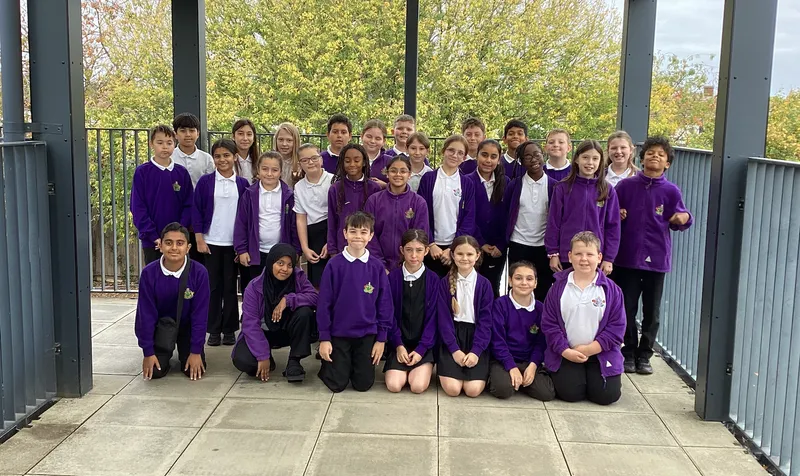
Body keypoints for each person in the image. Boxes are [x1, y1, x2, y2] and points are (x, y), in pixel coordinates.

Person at [614, 136, 692, 374]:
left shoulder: (671, 191)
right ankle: (628, 352)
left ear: (667, 163)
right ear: (641, 157)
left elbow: (683, 216)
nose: (655, 157)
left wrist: (684, 218)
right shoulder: (625, 186)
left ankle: (645, 354)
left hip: (656, 259)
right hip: (626, 257)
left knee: (652, 311)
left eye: (661, 154)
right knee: (626, 308)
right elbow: (609, 212)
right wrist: (617, 212)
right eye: (650, 153)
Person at [541, 231, 625, 405]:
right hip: (566, 352)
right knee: (570, 393)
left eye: (589, 254)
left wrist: (588, 350)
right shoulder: (557, 288)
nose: (584, 259)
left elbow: (616, 329)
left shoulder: (612, 290)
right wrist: (565, 350)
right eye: (578, 254)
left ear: (599, 257)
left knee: (606, 396)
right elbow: (549, 325)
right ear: (570, 256)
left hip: (600, 352)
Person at [317, 212, 394, 392]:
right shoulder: (334, 265)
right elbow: (324, 304)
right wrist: (324, 338)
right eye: (353, 231)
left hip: (366, 334)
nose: (358, 236)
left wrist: (381, 339)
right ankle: (333, 366)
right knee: (337, 385)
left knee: (363, 385)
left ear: (371, 235)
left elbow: (385, 304)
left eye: (363, 232)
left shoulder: (376, 267)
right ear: (345, 233)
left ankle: (352, 364)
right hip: (339, 333)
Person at [232, 243, 318, 382]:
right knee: (244, 361)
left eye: (290, 265)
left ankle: (294, 361)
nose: (285, 269)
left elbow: (315, 298)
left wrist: (288, 300)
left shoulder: (298, 277)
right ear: (271, 262)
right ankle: (268, 356)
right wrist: (263, 355)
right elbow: (250, 324)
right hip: (263, 332)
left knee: (305, 312)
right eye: (280, 263)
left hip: (287, 331)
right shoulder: (254, 287)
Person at [193, 139, 250, 347]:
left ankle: (230, 329)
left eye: (226, 155)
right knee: (213, 287)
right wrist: (199, 239)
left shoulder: (243, 184)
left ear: (235, 157)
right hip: (211, 242)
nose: (222, 159)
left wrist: (243, 245)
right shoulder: (205, 182)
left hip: (234, 244)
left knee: (230, 287)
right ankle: (214, 329)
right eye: (217, 156)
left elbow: (247, 216)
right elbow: (196, 210)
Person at [135, 223, 208, 380]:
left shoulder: (199, 273)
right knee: (155, 373)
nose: (174, 248)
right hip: (162, 327)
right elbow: (145, 315)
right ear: (160, 246)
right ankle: (162, 353)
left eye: (180, 243)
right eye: (168, 243)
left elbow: (200, 315)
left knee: (194, 371)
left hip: (187, 328)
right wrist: (148, 352)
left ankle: (186, 351)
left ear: (188, 248)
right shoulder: (149, 273)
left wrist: (196, 351)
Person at [546, 140, 620, 275]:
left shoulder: (607, 190)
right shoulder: (562, 188)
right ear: (576, 159)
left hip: (595, 257)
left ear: (600, 162)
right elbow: (553, 222)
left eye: (595, 158)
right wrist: (553, 253)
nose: (590, 162)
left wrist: (609, 258)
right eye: (585, 157)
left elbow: (613, 227)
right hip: (567, 255)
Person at [234, 151, 298, 295]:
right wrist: (242, 250)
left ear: (280, 172)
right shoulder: (249, 194)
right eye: (265, 169)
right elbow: (241, 223)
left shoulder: (288, 195)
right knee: (255, 291)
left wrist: (295, 250)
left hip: (281, 253)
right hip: (255, 253)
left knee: (278, 291)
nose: (269, 174)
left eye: (274, 170)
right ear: (258, 170)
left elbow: (294, 225)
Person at [489, 261, 555, 401]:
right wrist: (511, 367)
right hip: (503, 360)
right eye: (518, 278)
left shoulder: (541, 309)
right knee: (503, 389)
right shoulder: (500, 305)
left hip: (528, 360)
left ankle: (521, 380)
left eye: (529, 279)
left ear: (535, 283)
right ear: (510, 281)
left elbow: (541, 343)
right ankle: (505, 377)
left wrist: (533, 365)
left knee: (546, 393)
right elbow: (497, 341)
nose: (524, 283)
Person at [436, 235, 493, 397]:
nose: (465, 258)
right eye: (460, 254)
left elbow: (486, 322)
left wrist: (476, 351)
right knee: (453, 390)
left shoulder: (484, 285)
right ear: (452, 255)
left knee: (472, 390)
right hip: (452, 337)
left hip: (476, 338)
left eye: (469, 254)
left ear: (478, 255)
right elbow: (443, 321)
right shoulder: (444, 283)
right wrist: (454, 350)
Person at [130, 125, 193, 265]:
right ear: (151, 144)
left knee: (180, 276)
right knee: (155, 276)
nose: (165, 147)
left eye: (169, 143)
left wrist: (178, 234)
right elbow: (138, 207)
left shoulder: (181, 173)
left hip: (178, 241)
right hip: (152, 241)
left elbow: (189, 205)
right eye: (160, 143)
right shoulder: (142, 172)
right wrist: (153, 235)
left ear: (174, 144)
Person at [384, 229, 437, 394]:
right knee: (394, 386)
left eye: (419, 250)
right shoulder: (393, 278)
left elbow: (434, 318)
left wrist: (421, 349)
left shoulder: (434, 280)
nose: (414, 255)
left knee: (417, 387)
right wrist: (398, 345)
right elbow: (389, 315)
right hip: (399, 343)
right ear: (402, 250)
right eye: (409, 250)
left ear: (426, 251)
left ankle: (423, 365)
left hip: (423, 345)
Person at [417, 135, 477, 277]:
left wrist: (453, 248)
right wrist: (430, 243)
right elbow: (421, 214)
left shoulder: (467, 183)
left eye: (460, 153)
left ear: (464, 157)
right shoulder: (428, 179)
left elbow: (469, 218)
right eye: (451, 150)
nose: (455, 155)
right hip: (431, 247)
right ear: (443, 151)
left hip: (455, 248)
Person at [505, 140, 555, 302]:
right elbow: (506, 213)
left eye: (536, 154)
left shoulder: (554, 186)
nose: (533, 159)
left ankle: (540, 318)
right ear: (521, 161)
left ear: (543, 155)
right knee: (517, 289)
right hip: (518, 244)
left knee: (542, 289)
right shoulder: (514, 185)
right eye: (527, 156)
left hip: (543, 247)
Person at [365, 155, 430, 271]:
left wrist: (406, 265)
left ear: (409, 174)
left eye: (403, 171)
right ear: (387, 173)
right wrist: (380, 265)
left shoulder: (418, 202)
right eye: (393, 171)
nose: (398, 174)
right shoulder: (374, 201)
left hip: (408, 267)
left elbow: (420, 237)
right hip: (378, 267)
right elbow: (368, 235)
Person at [468, 139, 508, 297]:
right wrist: (481, 243)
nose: (488, 160)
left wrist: (501, 244)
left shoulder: (506, 183)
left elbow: (509, 217)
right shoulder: (467, 181)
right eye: (484, 155)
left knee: (493, 287)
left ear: (499, 159)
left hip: (497, 248)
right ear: (477, 155)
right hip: (474, 245)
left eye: (493, 156)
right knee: (473, 288)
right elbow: (467, 216)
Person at [326, 144, 381, 257]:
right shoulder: (335, 189)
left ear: (364, 162)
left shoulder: (374, 188)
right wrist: (332, 250)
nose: (352, 164)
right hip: (343, 247)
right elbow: (332, 221)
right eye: (347, 161)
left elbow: (377, 223)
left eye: (356, 160)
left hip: (368, 249)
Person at [294, 143, 334, 288]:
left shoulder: (333, 180)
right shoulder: (299, 187)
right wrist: (305, 248)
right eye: (305, 160)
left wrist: (330, 241)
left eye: (314, 158)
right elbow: (301, 218)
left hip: (332, 229)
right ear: (300, 164)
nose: (310, 162)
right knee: (317, 280)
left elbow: (338, 213)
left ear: (321, 159)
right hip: (313, 234)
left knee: (335, 278)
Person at [171, 112, 215, 187]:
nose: (188, 135)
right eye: (183, 131)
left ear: (198, 134)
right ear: (175, 134)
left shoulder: (206, 159)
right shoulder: (169, 157)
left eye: (192, 131)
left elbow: (210, 184)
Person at [362, 119, 391, 186]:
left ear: (384, 141)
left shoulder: (390, 161)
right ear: (362, 136)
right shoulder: (352, 159)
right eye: (369, 137)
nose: (372, 141)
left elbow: (398, 187)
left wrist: (385, 186)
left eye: (377, 138)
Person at [273, 122, 302, 188]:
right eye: (281, 139)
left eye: (289, 140)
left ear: (295, 142)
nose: (284, 144)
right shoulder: (270, 160)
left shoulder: (301, 163)